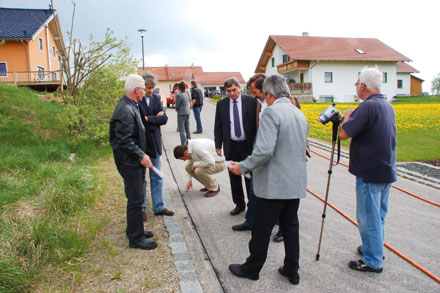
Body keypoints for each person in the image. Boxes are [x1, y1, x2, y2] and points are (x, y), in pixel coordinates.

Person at [228, 74, 308, 285]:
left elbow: (264, 151)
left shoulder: (271, 112)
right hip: (294, 182)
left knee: (261, 229)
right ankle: (292, 269)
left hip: (273, 184)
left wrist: (243, 166)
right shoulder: (298, 113)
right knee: (290, 227)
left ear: (270, 93)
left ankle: (252, 268)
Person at [339, 67, 396, 273]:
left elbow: (344, 134)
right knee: (378, 215)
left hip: (370, 173)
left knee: (368, 218)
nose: (356, 87)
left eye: (356, 84)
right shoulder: (386, 105)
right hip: (385, 169)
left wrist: (346, 116)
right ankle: (374, 249)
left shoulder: (367, 107)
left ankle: (372, 260)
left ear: (363, 86)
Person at [109, 74, 157, 250]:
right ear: (136, 90)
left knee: (137, 196)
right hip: (129, 162)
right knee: (135, 198)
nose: (145, 92)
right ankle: (136, 239)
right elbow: (124, 140)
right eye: (144, 88)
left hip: (135, 161)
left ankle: (135, 230)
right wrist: (140, 155)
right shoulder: (124, 110)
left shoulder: (132, 105)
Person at [214, 77, 257, 216]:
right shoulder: (221, 104)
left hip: (248, 146)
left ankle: (252, 204)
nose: (232, 93)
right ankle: (239, 204)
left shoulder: (251, 102)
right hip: (231, 146)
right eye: (228, 91)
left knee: (249, 176)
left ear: (239, 87)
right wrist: (218, 144)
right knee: (234, 177)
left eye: (234, 90)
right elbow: (218, 126)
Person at [139, 73, 174, 218]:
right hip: (141, 143)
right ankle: (141, 209)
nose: (150, 90)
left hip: (154, 141)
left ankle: (159, 206)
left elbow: (164, 118)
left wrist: (149, 119)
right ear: (142, 87)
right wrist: (154, 118)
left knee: (157, 175)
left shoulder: (156, 98)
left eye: (152, 87)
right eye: (148, 88)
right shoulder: (137, 98)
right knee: (141, 178)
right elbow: (139, 120)